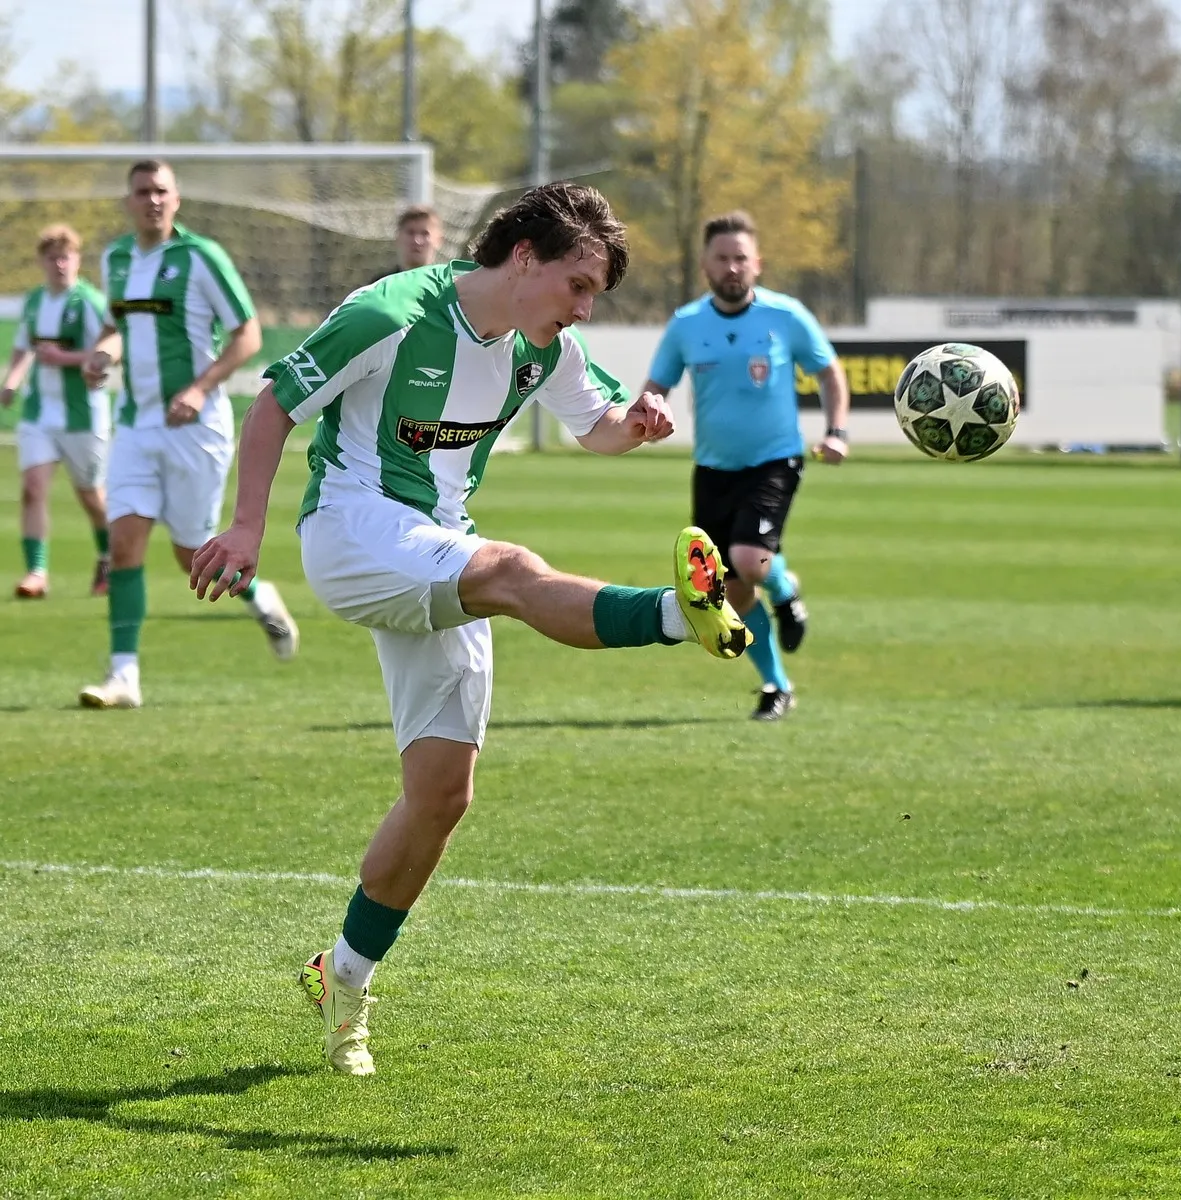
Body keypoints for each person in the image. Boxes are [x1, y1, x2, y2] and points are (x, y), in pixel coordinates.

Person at [189, 181, 750, 1076]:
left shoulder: (541, 345)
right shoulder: (390, 313)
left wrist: (636, 425)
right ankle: (675, 616)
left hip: (434, 549)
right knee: (513, 572)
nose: (584, 308)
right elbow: (273, 406)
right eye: (577, 284)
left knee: (441, 797)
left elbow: (598, 428)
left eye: (594, 294)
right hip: (352, 528)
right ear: (523, 256)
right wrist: (248, 525)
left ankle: (342, 977)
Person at [77, 158, 299, 710]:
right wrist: (103, 352)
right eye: (142, 191)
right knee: (124, 542)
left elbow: (248, 335)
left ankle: (259, 595)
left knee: (189, 553)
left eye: (161, 190)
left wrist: (200, 389)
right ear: (128, 201)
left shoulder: (201, 257)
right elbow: (118, 325)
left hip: (195, 429)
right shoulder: (116, 258)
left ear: (176, 199)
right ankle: (123, 676)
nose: (152, 200)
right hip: (135, 425)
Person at [643, 210, 850, 722]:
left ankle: (780, 585)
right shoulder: (687, 324)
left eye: (741, 258)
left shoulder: (786, 316)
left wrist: (837, 431)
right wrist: (642, 418)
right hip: (713, 468)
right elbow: (656, 386)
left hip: (774, 460)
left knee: (747, 559)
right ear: (705, 265)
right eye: (722, 258)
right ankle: (777, 684)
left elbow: (829, 372)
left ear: (758, 263)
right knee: (731, 589)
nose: (732, 267)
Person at [1, 224, 111, 600]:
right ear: (42, 262)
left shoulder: (90, 302)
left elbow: (109, 349)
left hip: (83, 415)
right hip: (39, 413)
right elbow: (23, 347)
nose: (60, 264)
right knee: (32, 489)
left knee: (91, 497)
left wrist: (66, 358)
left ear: (77, 260)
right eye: (52, 258)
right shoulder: (34, 301)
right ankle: (36, 573)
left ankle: (108, 557)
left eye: (66, 257)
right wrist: (12, 379)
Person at [371, 204, 443, 282]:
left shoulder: (447, 285)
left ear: (439, 240)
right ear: (398, 237)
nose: (417, 240)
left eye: (425, 233)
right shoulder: (381, 284)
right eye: (411, 233)